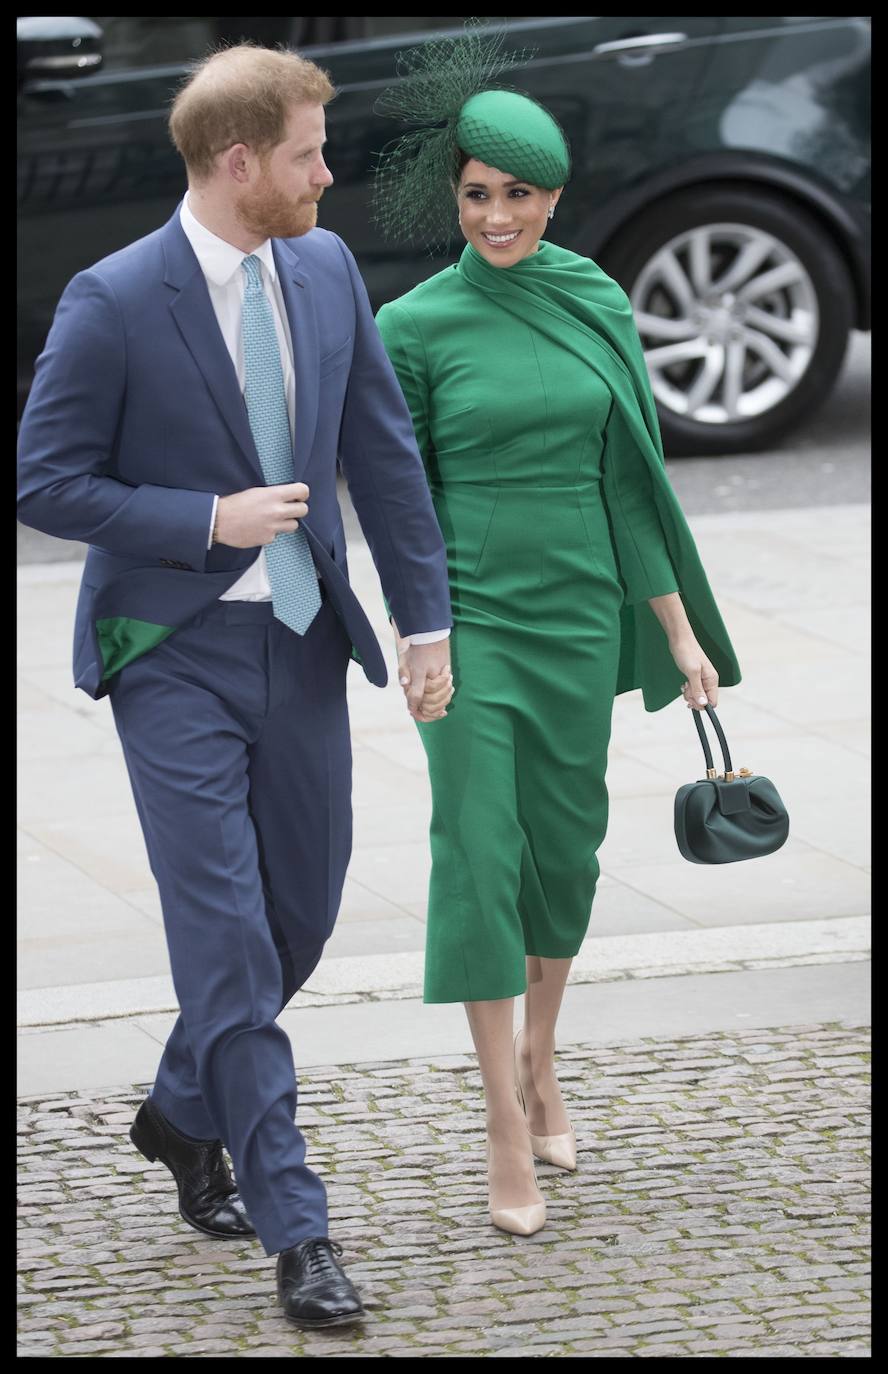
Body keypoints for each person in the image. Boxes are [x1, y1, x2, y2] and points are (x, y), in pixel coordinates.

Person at [16, 44, 454, 1329]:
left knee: (298, 927)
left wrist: (426, 621)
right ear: (242, 161)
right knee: (225, 945)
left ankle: (176, 1111)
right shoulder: (112, 299)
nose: (332, 171)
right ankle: (298, 1230)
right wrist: (205, 517)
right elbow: (43, 480)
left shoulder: (322, 268)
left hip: (306, 646)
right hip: (174, 655)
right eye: (313, 151)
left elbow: (380, 450)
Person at [372, 33, 741, 1237]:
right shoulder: (415, 328)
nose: (494, 216)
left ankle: (543, 1058)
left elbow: (630, 483)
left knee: (565, 856)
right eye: (476, 194)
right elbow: (397, 501)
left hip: (584, 613)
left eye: (517, 195)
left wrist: (678, 634)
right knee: (478, 857)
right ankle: (497, 1120)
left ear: (554, 198)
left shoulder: (594, 297)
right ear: (458, 195)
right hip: (471, 628)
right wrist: (421, 637)